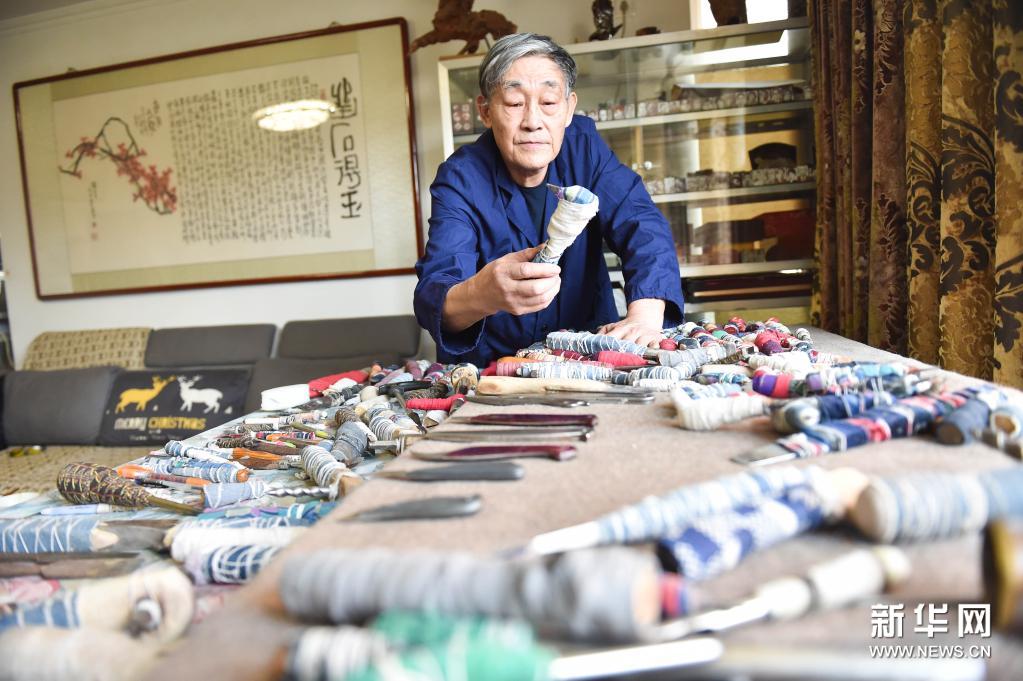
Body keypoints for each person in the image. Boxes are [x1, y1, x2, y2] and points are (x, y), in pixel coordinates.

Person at [414, 33, 684, 366]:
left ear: (568, 109)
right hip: (495, 368)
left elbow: (642, 224)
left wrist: (644, 316)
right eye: (514, 103)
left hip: (589, 356)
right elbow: (436, 293)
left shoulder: (584, 148)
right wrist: (481, 293)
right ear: (485, 111)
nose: (532, 122)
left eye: (549, 103)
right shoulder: (461, 177)